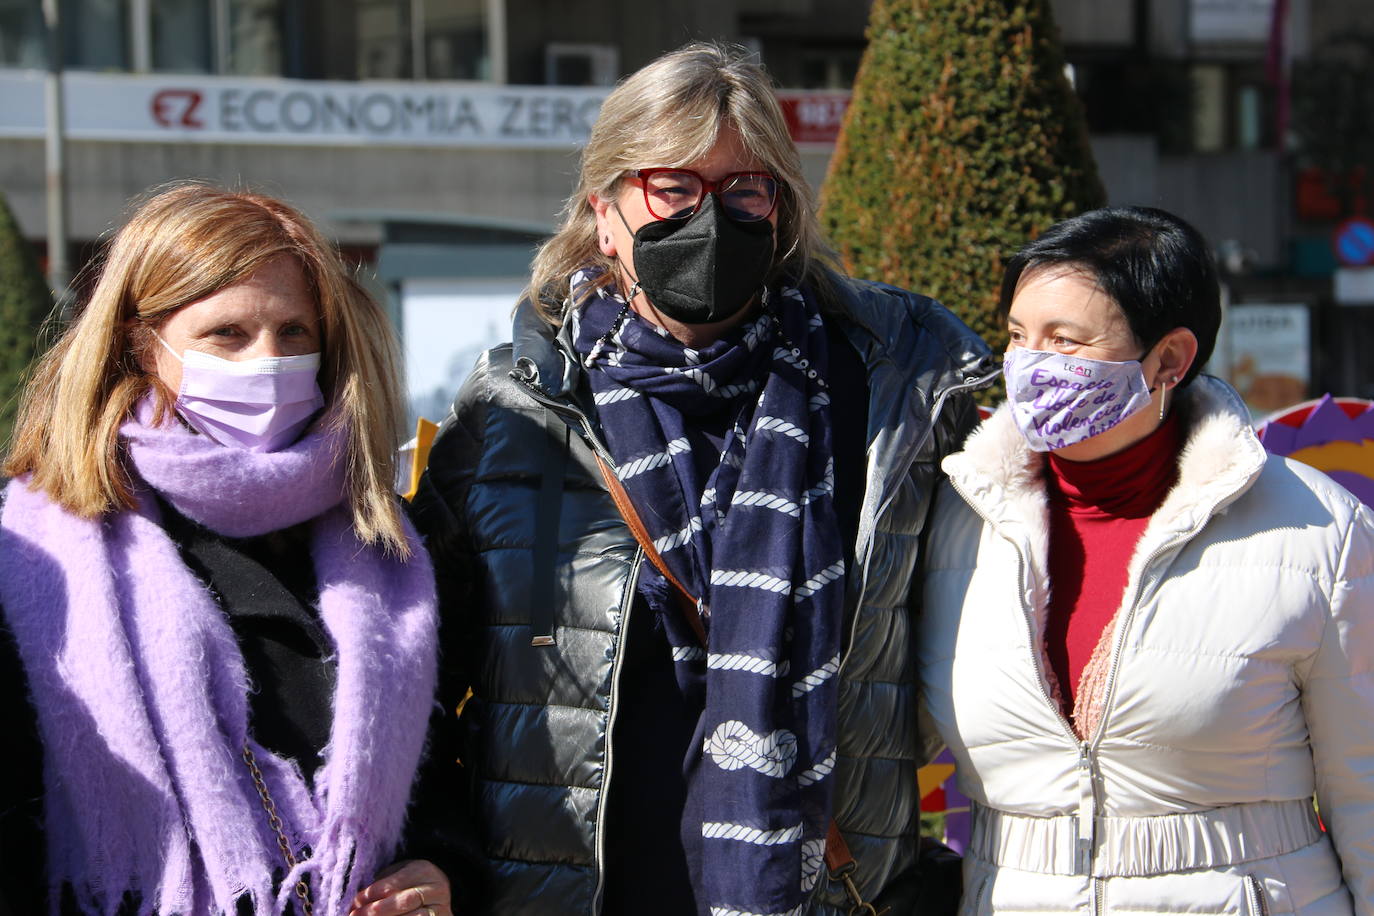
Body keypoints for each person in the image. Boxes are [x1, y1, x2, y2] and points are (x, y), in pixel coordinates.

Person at [411, 41, 994, 915]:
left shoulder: (888, 387)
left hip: (828, 893)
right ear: (604, 212)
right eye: (673, 191)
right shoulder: (519, 412)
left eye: (743, 190)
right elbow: (408, 680)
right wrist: (437, 854)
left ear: (781, 207)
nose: (709, 221)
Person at [0, 183, 456, 915]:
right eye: (227, 334)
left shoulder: (388, 541)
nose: (267, 360)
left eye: (294, 332)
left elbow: (449, 777)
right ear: (140, 343)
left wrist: (443, 871)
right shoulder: (34, 553)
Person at [918, 206, 1374, 914]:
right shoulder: (953, 520)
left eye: (1064, 341)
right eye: (1016, 335)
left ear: (1169, 360)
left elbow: (1365, 783)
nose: (1028, 366)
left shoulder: (1318, 531)